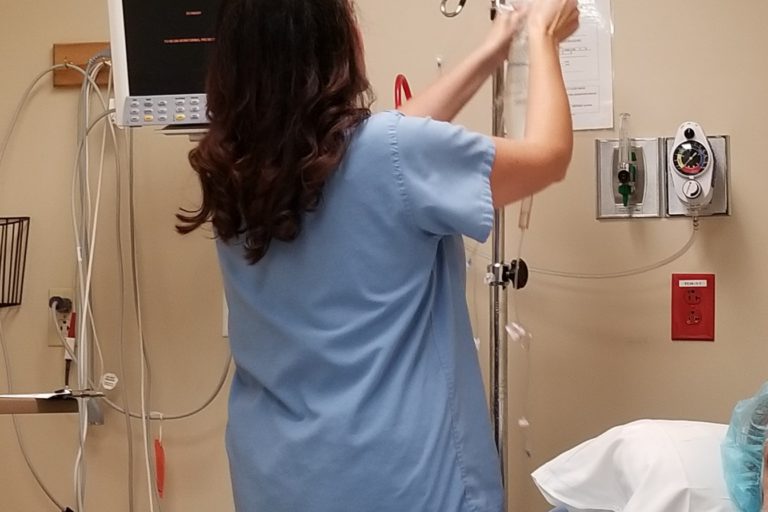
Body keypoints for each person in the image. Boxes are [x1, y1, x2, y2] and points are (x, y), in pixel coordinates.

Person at [177, 0, 579, 510]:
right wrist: (544, 37)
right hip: (402, 482)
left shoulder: (236, 172)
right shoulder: (391, 156)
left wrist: (492, 49)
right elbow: (549, 157)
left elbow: (386, 146)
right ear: (339, 47)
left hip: (277, 480)